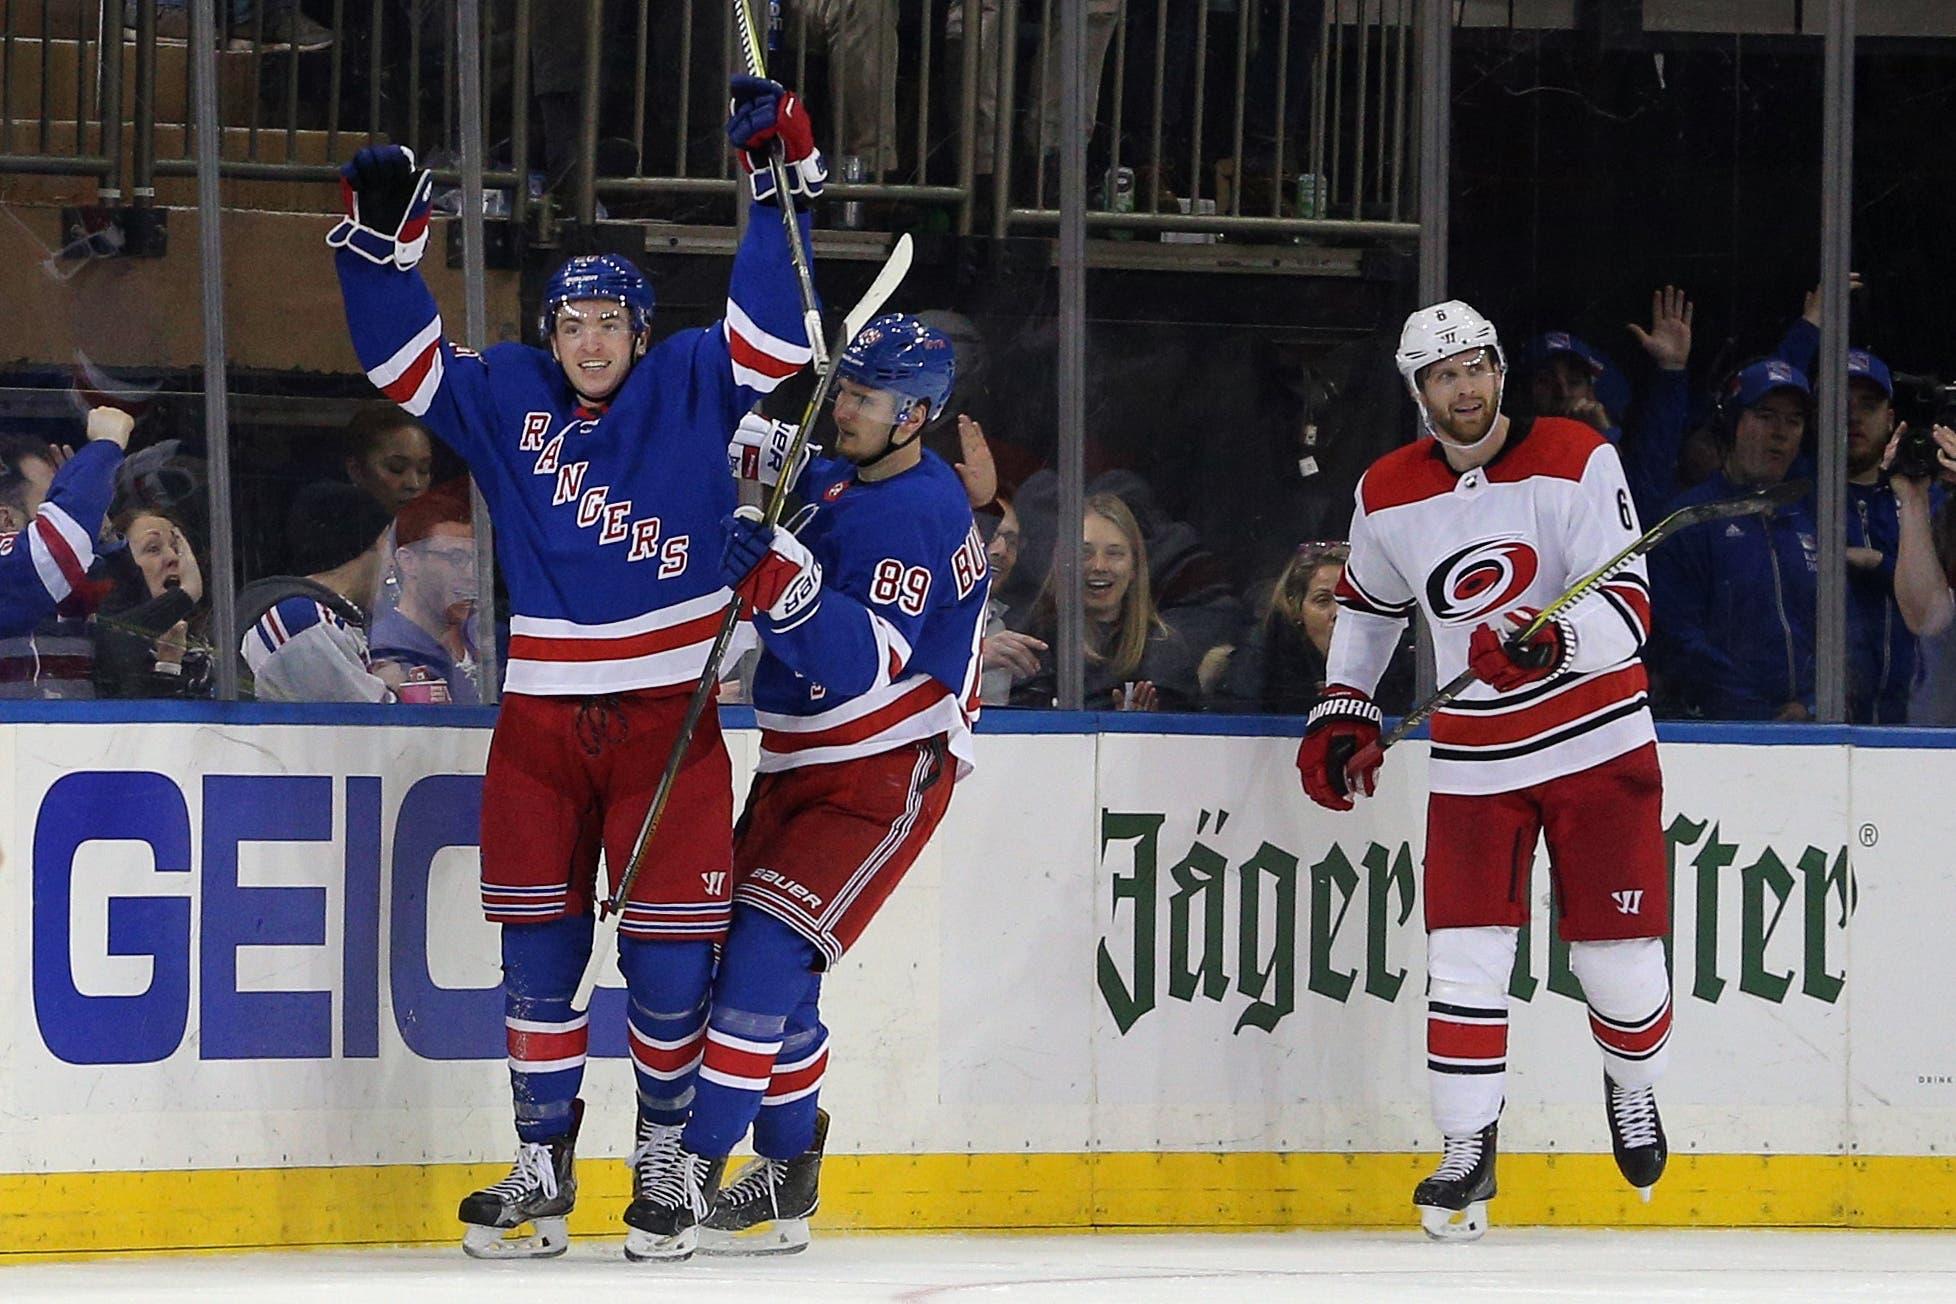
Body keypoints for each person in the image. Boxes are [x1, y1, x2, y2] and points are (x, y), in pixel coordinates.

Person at [329, 71, 824, 1261]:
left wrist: (775, 182)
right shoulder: (507, 393)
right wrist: (381, 249)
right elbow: (402, 367)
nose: (588, 340)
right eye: (570, 322)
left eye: (608, 322)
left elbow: (781, 325)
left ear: (641, 334)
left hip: (667, 715)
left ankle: (664, 1155)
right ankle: (543, 1165)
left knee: (664, 964)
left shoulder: (697, 378)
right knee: (536, 955)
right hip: (545, 724)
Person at [1296, 301, 1672, 1241]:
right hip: (1474, 755)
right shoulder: (1386, 489)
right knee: (1464, 958)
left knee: (1617, 968)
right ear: (1417, 391)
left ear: (1500, 371)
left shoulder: (1577, 456)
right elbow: (1371, 607)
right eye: (1442, 376)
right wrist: (1345, 703)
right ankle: (1468, 1150)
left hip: (1598, 739)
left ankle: (1631, 1084)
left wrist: (1554, 644)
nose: (1464, 389)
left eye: (1476, 368)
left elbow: (1628, 602)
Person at [694, 313, 986, 1256]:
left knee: (763, 958)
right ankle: (788, 1172)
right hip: (797, 760)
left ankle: (689, 1165)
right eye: (842, 390)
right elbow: (758, 479)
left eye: (865, 399)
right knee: (767, 967)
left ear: (917, 417)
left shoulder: (924, 515)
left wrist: (779, 579)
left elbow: (858, 665)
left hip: (885, 767)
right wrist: (735, 451)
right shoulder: (839, 475)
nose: (844, 411)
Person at [1647, 359, 1819, 721]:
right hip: (1720, 734)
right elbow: (1677, 641)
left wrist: (1811, 705)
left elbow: (1841, 635)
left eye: (1794, 420)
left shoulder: (1813, 519)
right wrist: (1759, 714)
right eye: (1766, 415)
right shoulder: (1689, 519)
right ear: (1733, 425)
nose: (1780, 432)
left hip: (1811, 730)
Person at [1011, 492, 1198, 711]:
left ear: (1134, 568)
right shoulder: (1034, 642)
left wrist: (1142, 732)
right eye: (1085, 553)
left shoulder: (1163, 649)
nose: (1099, 566)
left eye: (1114, 554)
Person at [237, 482, 397, 702]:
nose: (393, 562)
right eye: (390, 544)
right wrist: (393, 689)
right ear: (370, 543)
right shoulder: (301, 620)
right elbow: (363, 727)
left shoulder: (328, 617)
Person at [0, 409, 130, 663]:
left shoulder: (61, 581)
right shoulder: (27, 571)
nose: (65, 514)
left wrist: (102, 533)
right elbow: (52, 554)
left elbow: (132, 631)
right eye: (52, 506)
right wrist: (105, 445)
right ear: (6, 519)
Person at [367, 479, 481, 705]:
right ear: (408, 562)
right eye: (456, 558)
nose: (472, 574)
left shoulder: (493, 639)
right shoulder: (385, 650)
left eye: (476, 561)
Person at [94, 508, 214, 699]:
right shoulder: (101, 647)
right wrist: (168, 666)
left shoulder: (211, 654)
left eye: (177, 548)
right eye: (153, 549)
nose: (173, 558)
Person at [976, 494, 1043, 705]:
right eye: (989, 535)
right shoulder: (919, 610)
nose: (1001, 550)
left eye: (1012, 541)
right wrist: (975, 658)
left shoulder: (1010, 626)